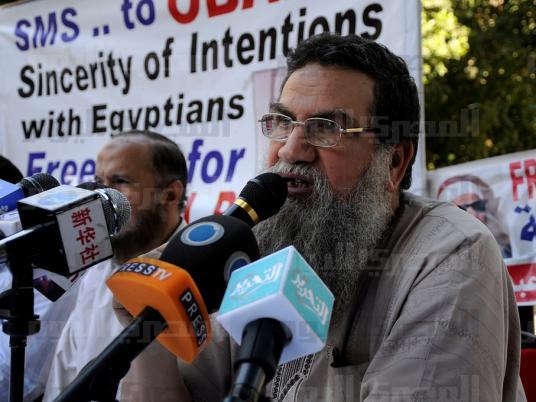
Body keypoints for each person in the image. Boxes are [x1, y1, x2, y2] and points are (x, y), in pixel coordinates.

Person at [119, 33, 525, 401]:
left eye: (327, 128)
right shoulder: (254, 252)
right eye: (282, 123)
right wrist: (147, 327)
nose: (290, 150)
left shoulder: (450, 254)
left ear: (394, 162)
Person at [42, 130, 188, 401]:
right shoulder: (94, 273)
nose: (102, 198)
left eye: (119, 182)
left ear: (170, 194)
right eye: (99, 183)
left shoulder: (204, 275)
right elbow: (62, 380)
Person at [437, 174, 512, 258]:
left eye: (479, 205)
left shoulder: (505, 249)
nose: (474, 214)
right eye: (462, 209)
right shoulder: (441, 257)